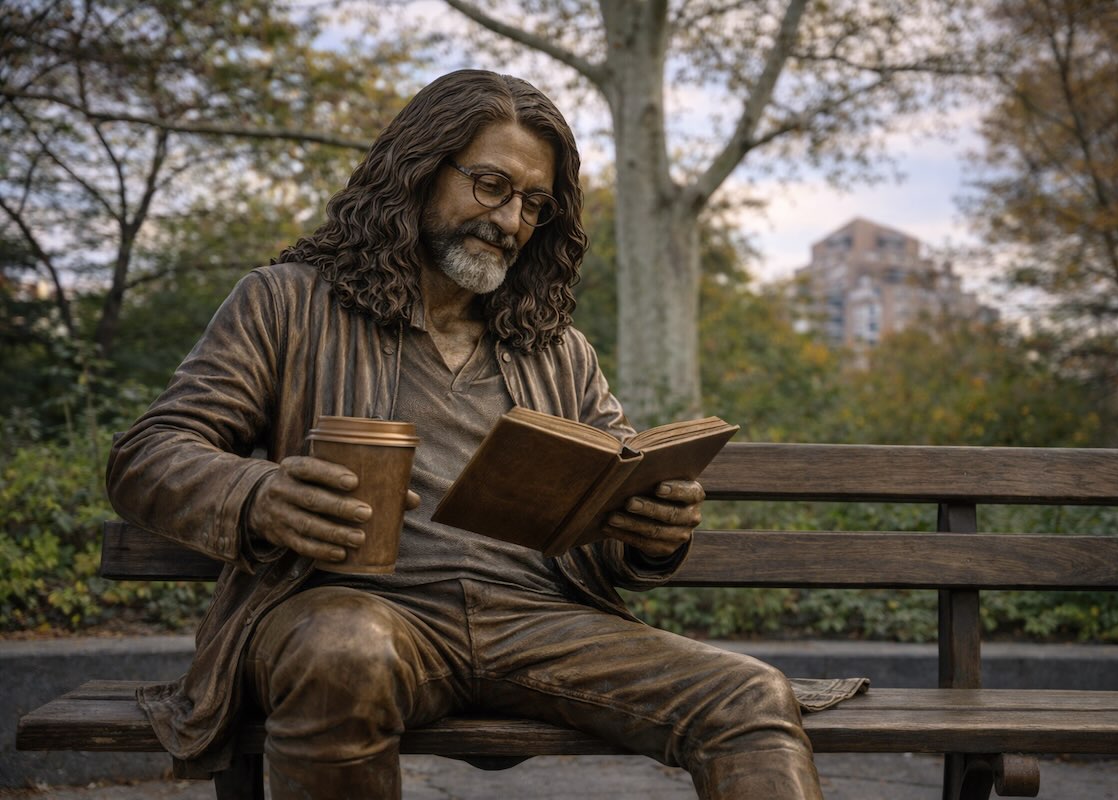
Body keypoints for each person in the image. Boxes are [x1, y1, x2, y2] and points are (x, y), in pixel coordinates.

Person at [107, 69, 841, 799]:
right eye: (491, 186)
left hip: (537, 622)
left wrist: (651, 529)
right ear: (419, 171)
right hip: (354, 609)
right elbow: (149, 453)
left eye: (534, 204)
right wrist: (258, 495)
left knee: (750, 696)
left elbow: (612, 499)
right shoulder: (287, 304)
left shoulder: (556, 349)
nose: (511, 221)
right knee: (345, 653)